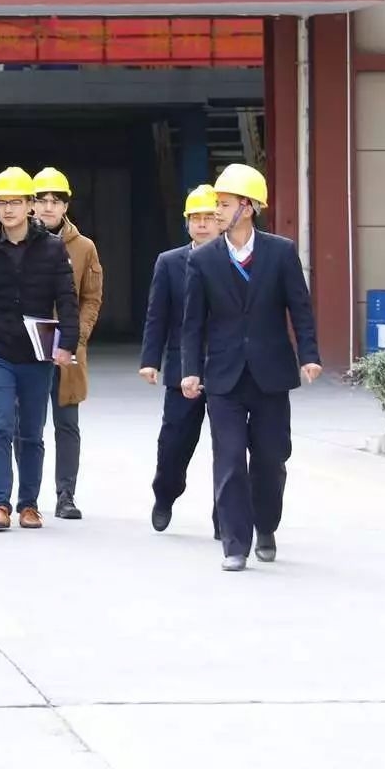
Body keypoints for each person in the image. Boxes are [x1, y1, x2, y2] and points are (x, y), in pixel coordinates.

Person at [179, 163, 321, 573]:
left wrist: (309, 354)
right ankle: (234, 544)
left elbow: (300, 308)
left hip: (271, 373)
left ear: (248, 206)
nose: (217, 212)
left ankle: (266, 525)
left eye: (224, 205)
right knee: (228, 460)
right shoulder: (203, 259)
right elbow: (193, 322)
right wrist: (191, 369)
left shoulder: (281, 252)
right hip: (223, 376)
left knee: (270, 460)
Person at [0, 167, 76, 532]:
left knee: (31, 432)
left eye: (15, 202)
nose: (7, 209)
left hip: (37, 352)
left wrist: (66, 344)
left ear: (30, 205)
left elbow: (67, 299)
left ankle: (29, 505)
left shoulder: (52, 248)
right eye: (1, 202)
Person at [139, 184, 225, 536]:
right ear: (186, 222)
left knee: (229, 447)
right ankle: (165, 495)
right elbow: (157, 315)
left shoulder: (233, 260)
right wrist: (150, 359)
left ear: (220, 221)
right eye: (195, 218)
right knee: (174, 443)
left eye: (208, 217)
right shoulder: (170, 262)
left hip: (226, 367)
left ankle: (225, 516)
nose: (202, 224)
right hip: (181, 366)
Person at [30, 167, 102, 521]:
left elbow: (92, 297)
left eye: (55, 200)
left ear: (65, 206)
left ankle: (65, 495)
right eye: (42, 200)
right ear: (31, 204)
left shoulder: (83, 248)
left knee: (67, 423)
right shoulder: (17, 241)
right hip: (27, 343)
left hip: (67, 346)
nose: (48, 207)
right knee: (26, 425)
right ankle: (26, 497)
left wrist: (77, 336)